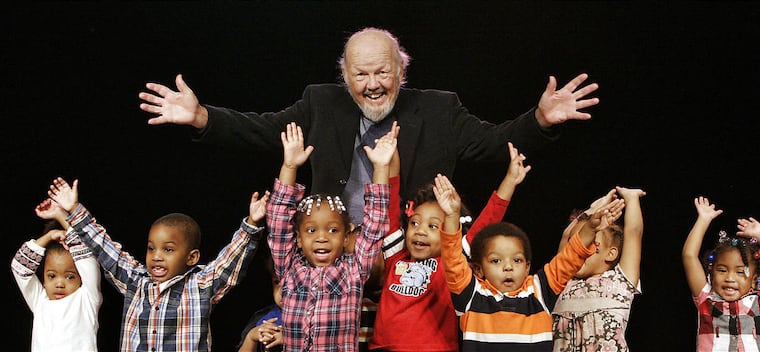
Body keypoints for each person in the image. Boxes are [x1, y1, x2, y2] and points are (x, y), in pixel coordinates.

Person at [138, 27, 600, 223]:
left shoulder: (440, 109)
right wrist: (201, 117)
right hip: (336, 253)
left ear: (402, 72)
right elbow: (261, 131)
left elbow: (495, 144)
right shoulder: (320, 103)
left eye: (384, 73)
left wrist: (540, 120)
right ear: (345, 76)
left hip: (415, 255)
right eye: (361, 74)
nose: (373, 85)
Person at [47, 177, 267, 352]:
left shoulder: (200, 285)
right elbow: (105, 247)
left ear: (191, 257)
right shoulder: (136, 283)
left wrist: (251, 223)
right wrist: (74, 210)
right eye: (151, 248)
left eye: (168, 249)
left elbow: (229, 262)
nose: (157, 256)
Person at [369, 142, 530, 351]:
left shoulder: (453, 262)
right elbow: (388, 204)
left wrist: (509, 181)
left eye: (433, 226)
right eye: (415, 223)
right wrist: (388, 158)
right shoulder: (396, 256)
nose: (420, 230)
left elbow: (486, 223)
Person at [437, 174, 625, 352]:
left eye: (517, 260)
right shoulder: (472, 295)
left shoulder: (538, 291)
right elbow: (453, 260)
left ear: (527, 266)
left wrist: (591, 228)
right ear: (478, 269)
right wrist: (452, 215)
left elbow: (570, 257)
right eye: (496, 260)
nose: (508, 266)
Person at [266, 122, 393, 351]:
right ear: (298, 238)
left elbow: (375, 226)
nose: (322, 237)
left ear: (346, 238)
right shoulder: (289, 267)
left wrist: (381, 168)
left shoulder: (354, 271)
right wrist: (289, 166)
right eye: (311, 230)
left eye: (333, 230)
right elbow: (277, 220)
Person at [681, 197, 760, 351]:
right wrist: (703, 220)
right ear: (711, 275)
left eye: (740, 272)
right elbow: (689, 256)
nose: (730, 278)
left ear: (753, 280)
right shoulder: (706, 299)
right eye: (722, 270)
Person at [551, 186, 646, 352]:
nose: (582, 249)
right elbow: (567, 236)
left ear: (610, 254)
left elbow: (634, 232)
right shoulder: (563, 281)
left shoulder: (620, 282)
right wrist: (591, 211)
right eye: (579, 245)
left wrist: (632, 199)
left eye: (591, 244)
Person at [12, 198, 102, 351]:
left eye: (69, 276)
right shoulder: (39, 300)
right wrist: (49, 236)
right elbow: (20, 266)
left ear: (82, 277)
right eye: (52, 276)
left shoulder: (87, 299)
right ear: (44, 279)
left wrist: (61, 216)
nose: (59, 283)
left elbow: (86, 256)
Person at [237, 251, 283, 352]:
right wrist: (251, 337)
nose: (282, 291)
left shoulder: (318, 317)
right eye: (277, 282)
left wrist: (290, 340)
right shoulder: (263, 317)